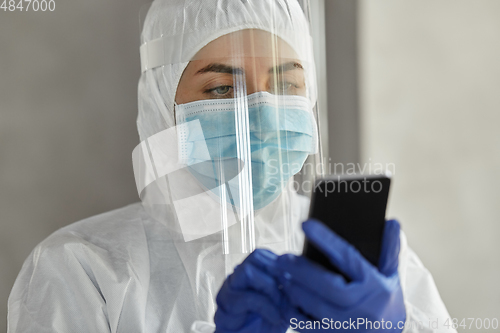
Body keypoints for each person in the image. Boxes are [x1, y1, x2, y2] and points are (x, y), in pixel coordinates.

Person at [8, 0, 455, 332]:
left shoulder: (360, 268)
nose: (260, 118)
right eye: (222, 89)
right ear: (163, 105)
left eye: (285, 85)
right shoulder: (82, 271)